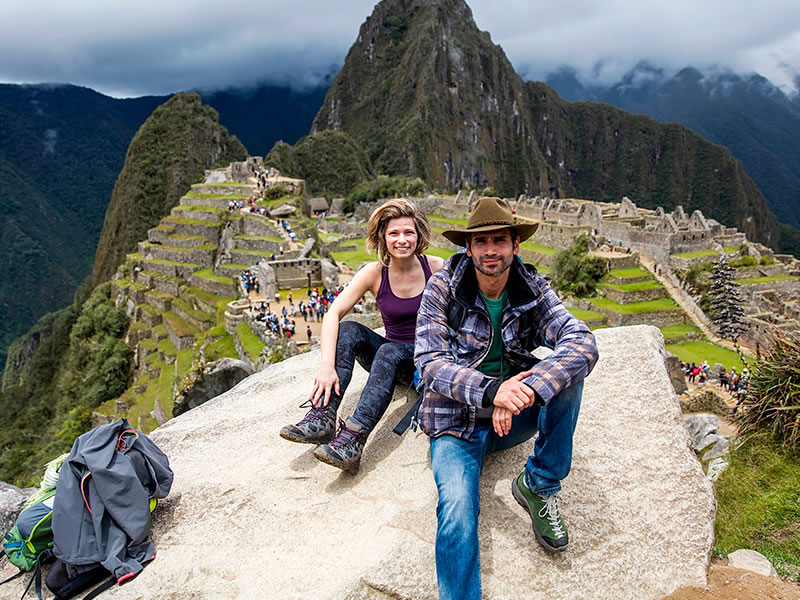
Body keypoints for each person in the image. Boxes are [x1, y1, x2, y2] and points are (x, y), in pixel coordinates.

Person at [414, 197, 598, 600]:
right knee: (458, 511)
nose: (490, 250)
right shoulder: (443, 287)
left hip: (511, 412)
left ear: (516, 245)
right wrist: (494, 390)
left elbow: (581, 342)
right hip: (455, 422)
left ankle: (539, 484)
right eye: (481, 242)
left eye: (500, 240)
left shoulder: (531, 287)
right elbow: (429, 362)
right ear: (468, 247)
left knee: (568, 377)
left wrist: (527, 388)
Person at [280, 199, 444, 471]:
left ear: (419, 235)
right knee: (350, 329)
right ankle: (323, 416)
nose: (401, 240)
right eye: (394, 233)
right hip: (391, 357)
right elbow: (333, 313)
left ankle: (353, 440)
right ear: (382, 237)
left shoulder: (437, 268)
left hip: (426, 362)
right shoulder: (374, 273)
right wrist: (326, 367)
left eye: (408, 232)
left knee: (388, 352)